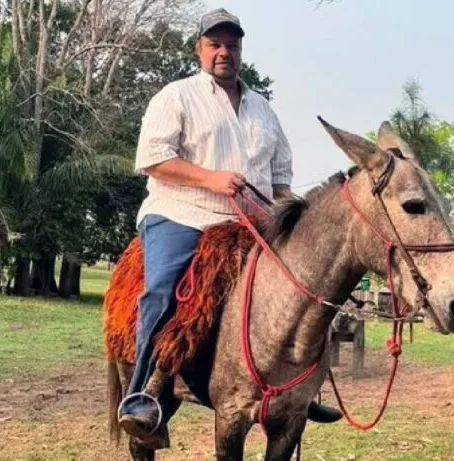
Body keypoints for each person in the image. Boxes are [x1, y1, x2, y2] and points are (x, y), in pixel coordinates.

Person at [118, 7, 342, 439]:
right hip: (183, 213)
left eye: (232, 45)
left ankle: (302, 387)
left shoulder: (264, 110)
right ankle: (142, 394)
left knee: (309, 285)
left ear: (241, 50)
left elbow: (280, 181)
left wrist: (295, 218)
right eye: (215, 44)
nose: (224, 52)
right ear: (199, 49)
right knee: (164, 290)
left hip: (253, 223)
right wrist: (211, 179)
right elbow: (152, 159)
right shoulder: (176, 96)